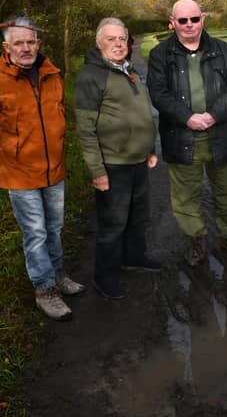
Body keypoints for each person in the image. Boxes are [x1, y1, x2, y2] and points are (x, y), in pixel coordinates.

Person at [147, 0, 227, 264]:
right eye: (183, 20)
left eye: (194, 19)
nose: (189, 25)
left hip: (220, 136)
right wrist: (187, 117)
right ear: (172, 23)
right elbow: (158, 93)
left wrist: (215, 115)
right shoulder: (160, 55)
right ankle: (197, 240)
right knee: (185, 197)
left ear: (203, 19)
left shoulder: (223, 50)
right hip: (181, 138)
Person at [0, 16, 85, 321]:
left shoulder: (53, 73)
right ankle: (45, 290)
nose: (26, 48)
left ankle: (58, 275)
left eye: (30, 41)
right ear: (6, 47)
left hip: (55, 169)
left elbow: (60, 114)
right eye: (18, 43)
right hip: (19, 172)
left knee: (54, 227)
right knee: (35, 233)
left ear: (38, 43)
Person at [75, 17, 160, 300]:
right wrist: (97, 171)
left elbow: (140, 113)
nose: (118, 44)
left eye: (122, 38)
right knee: (113, 225)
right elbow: (86, 129)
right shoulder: (91, 75)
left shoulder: (129, 69)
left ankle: (134, 257)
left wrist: (149, 149)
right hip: (113, 165)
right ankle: (105, 277)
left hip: (138, 161)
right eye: (111, 39)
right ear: (99, 43)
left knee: (138, 218)